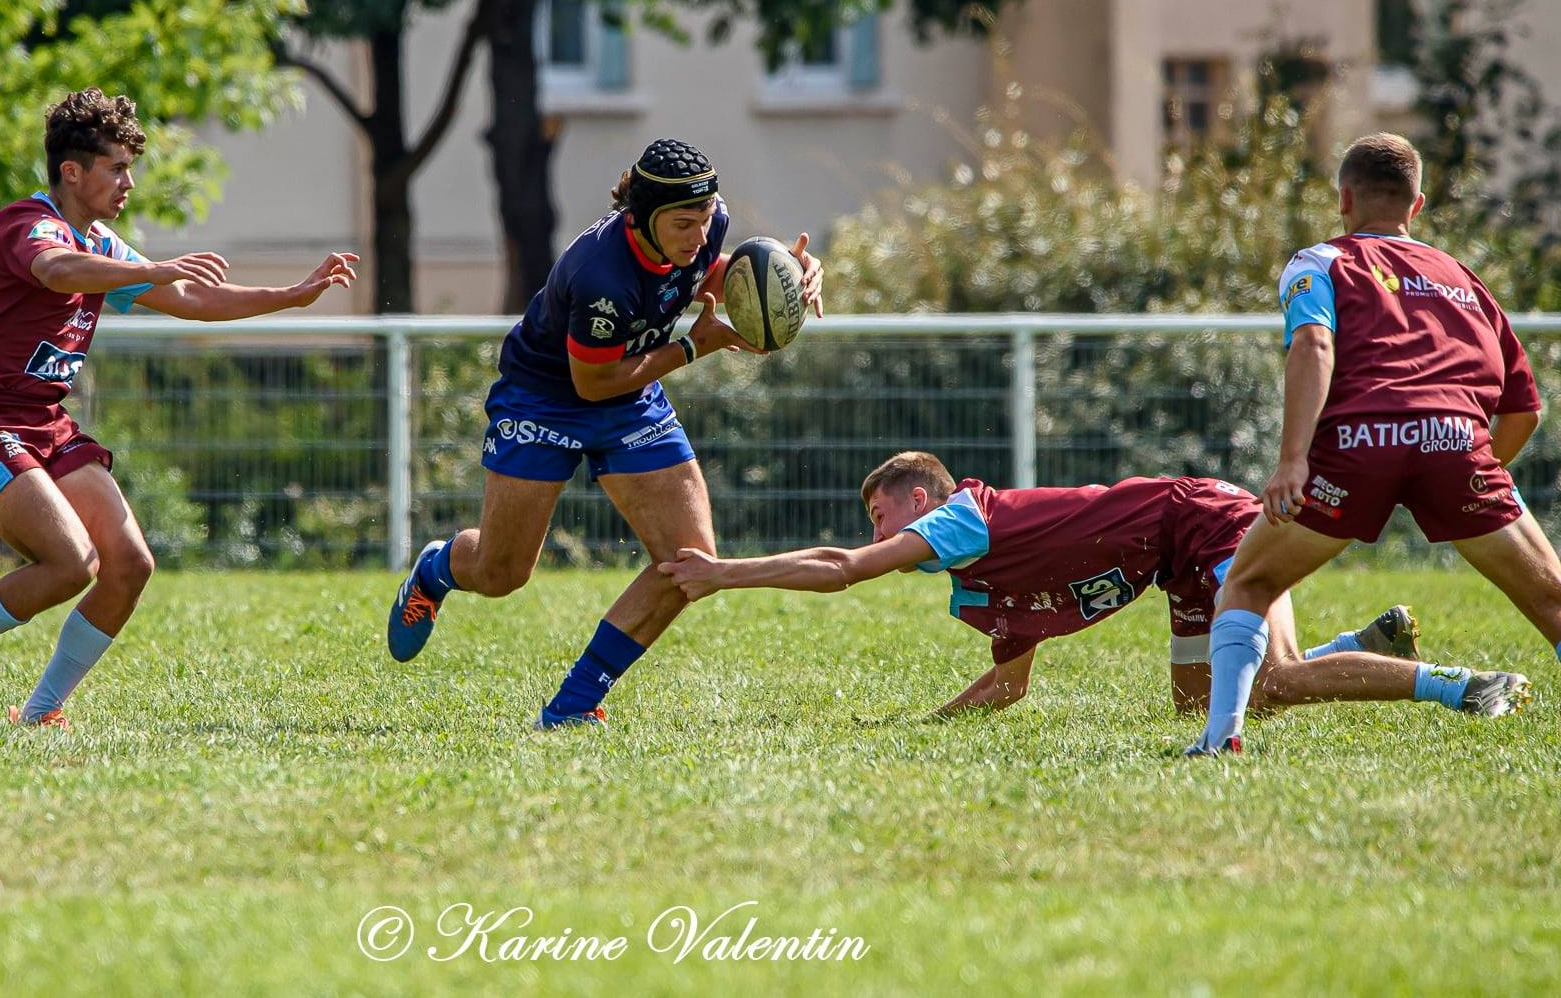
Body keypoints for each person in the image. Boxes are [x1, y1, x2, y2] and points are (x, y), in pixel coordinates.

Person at [0, 88, 358, 728]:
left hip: (45, 423)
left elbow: (193, 299)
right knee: (70, 563)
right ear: (72, 172)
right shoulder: (28, 225)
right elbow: (55, 271)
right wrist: (156, 269)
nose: (129, 182)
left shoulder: (100, 244)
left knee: (130, 564)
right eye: (117, 167)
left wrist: (292, 295)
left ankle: (40, 712)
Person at [384, 138, 823, 727]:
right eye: (683, 223)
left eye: (705, 219)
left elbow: (706, 275)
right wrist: (694, 344)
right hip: (547, 399)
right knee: (501, 573)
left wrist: (785, 277)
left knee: (690, 561)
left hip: (630, 395)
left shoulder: (706, 225)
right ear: (640, 219)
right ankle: (435, 570)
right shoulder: (599, 275)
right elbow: (595, 384)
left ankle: (573, 704)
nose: (699, 235)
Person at [658, 450, 1521, 721]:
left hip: (1205, 521)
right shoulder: (984, 575)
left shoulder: (962, 519)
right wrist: (920, 727)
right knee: (1207, 705)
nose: (878, 536)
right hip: (1178, 563)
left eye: (881, 516)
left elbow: (841, 570)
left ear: (918, 498)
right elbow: (1011, 685)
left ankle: (1463, 687)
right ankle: (1360, 649)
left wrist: (721, 575)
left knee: (1273, 681)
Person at [1188, 133, 1558, 755]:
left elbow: (1313, 345)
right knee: (1551, 598)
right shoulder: (1464, 279)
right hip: (1456, 442)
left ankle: (1221, 737)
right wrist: (1468, 472)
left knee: (1247, 584)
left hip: (1357, 447)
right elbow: (1524, 409)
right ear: (1417, 207)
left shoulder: (1320, 262)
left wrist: (1292, 461)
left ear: (1344, 199)